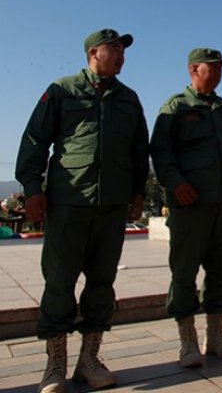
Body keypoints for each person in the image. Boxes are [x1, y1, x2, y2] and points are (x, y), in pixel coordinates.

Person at [16, 28, 149, 393]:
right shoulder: (62, 90)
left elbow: (140, 151)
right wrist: (32, 189)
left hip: (111, 206)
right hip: (68, 203)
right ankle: (54, 366)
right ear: (94, 53)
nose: (121, 56)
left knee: (101, 284)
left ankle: (88, 360)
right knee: (59, 284)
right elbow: (34, 142)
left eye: (124, 51)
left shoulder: (129, 98)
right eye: (115, 49)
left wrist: (137, 192)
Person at [150, 48, 222, 367]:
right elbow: (160, 151)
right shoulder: (176, 106)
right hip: (190, 205)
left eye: (220, 69)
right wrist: (175, 183)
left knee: (220, 271)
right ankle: (187, 341)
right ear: (193, 70)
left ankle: (214, 337)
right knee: (184, 272)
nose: (216, 73)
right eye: (210, 68)